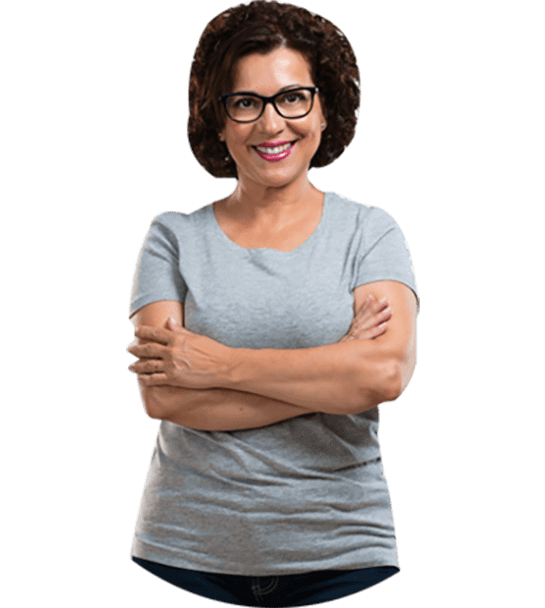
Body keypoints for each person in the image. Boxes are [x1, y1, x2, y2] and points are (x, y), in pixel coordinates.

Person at [127, 1, 419, 605]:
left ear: (325, 105)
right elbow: (165, 396)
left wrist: (218, 366)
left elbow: (383, 374)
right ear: (220, 117)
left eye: (293, 98)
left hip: (347, 554)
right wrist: (330, 365)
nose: (271, 124)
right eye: (246, 103)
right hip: (183, 553)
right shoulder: (171, 237)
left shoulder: (371, 233)